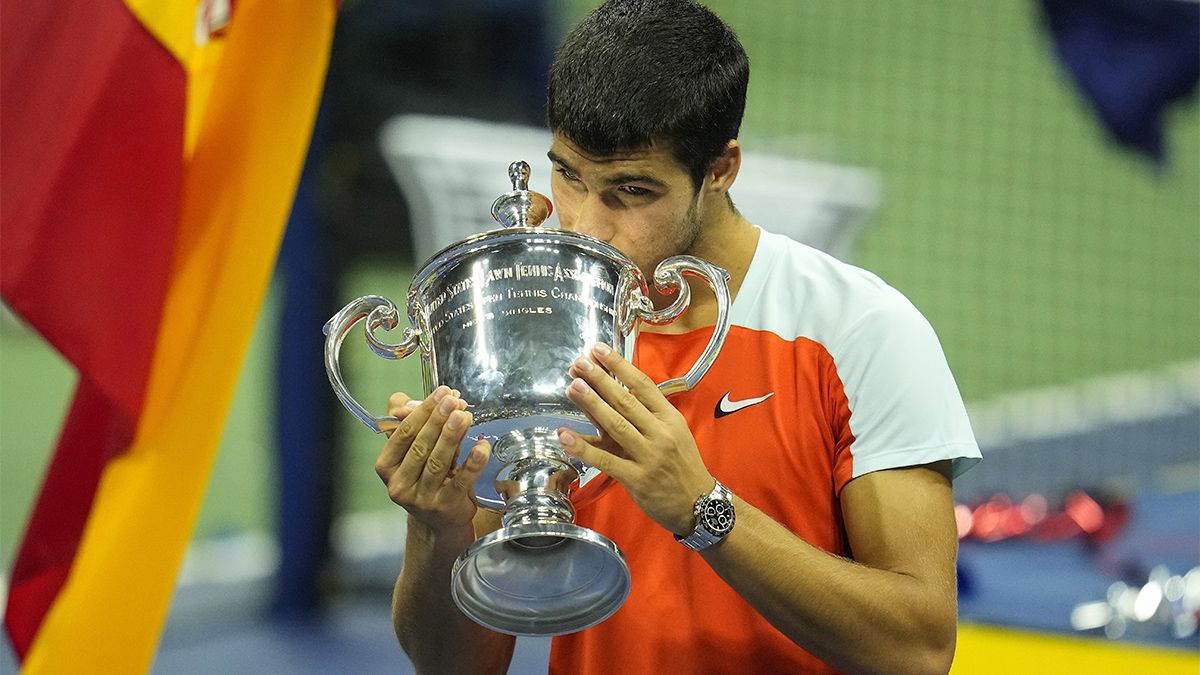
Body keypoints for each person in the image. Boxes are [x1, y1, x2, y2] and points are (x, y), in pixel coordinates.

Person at [373, 1, 981, 673]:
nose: (586, 227)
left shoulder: (860, 330)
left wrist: (703, 509)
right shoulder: (537, 318)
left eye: (630, 191)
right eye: (569, 175)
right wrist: (438, 530)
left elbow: (919, 648)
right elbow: (455, 664)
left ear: (721, 169)